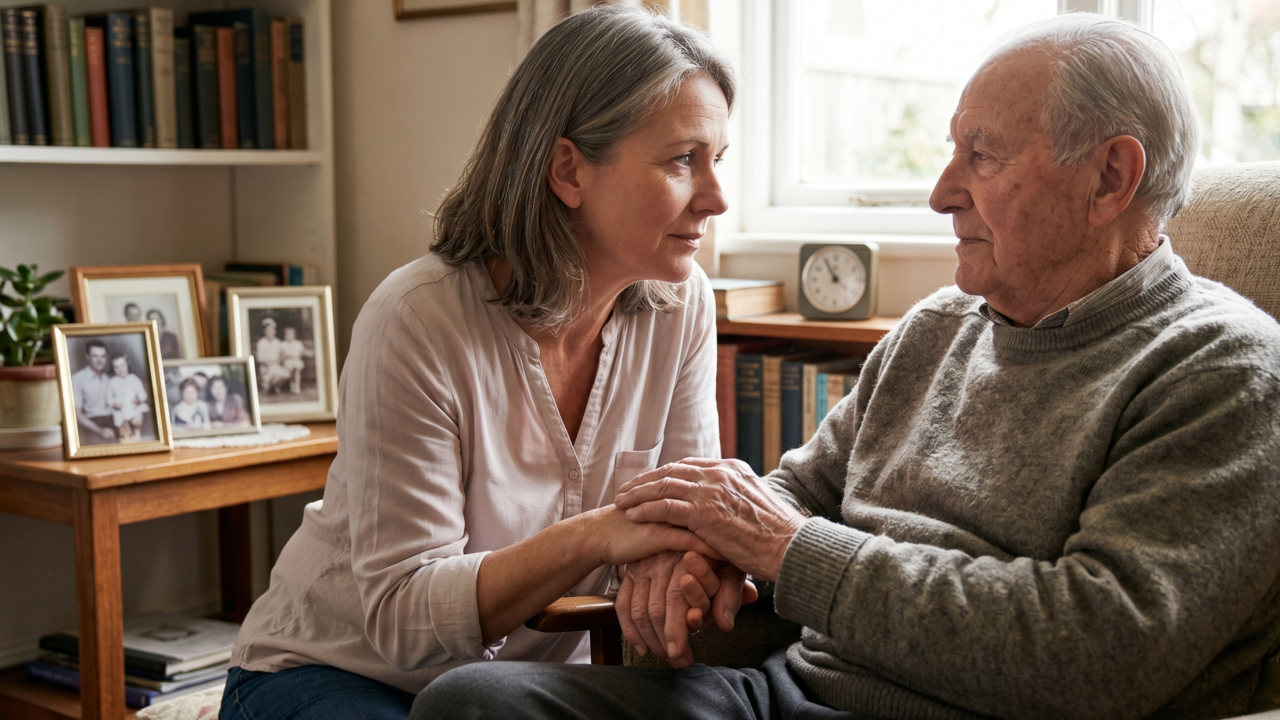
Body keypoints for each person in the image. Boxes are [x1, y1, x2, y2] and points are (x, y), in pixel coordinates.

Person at [416, 14, 1280, 720]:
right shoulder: (935, 328)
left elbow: (1097, 650)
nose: (941, 192)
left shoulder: (1221, 370)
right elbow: (799, 493)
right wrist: (704, 557)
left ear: (1111, 177)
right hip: (789, 691)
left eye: (982, 156)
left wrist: (782, 548)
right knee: (474, 704)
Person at [221, 7, 735, 720]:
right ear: (568, 171)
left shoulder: (684, 305)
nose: (716, 197)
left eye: (718, 159)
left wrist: (668, 557)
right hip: (343, 671)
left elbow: (683, 514)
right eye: (683, 160)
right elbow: (402, 618)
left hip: (517, 690)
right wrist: (598, 533)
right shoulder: (416, 319)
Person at [70, 340, 116, 445]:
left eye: (103, 356)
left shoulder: (110, 378)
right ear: (88, 357)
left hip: (114, 423)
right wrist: (99, 431)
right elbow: (76, 414)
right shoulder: (78, 379)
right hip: (92, 425)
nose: (100, 360)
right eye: (95, 356)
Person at [106, 353, 149, 441]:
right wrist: (114, 403)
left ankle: (136, 436)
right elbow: (108, 397)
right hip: (120, 408)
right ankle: (124, 438)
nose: (120, 369)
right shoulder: (112, 381)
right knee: (119, 419)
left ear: (127, 365)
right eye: (116, 367)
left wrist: (138, 400)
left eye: (122, 366)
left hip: (133, 407)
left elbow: (143, 395)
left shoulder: (134, 379)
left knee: (137, 418)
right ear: (113, 368)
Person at [253, 317, 291, 396]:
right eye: (268, 330)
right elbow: (259, 359)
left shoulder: (278, 342)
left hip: (275, 366)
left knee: (286, 374)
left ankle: (272, 387)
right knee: (267, 376)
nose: (270, 332)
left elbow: (282, 356)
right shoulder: (261, 343)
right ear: (265, 332)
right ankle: (268, 386)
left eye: (272, 330)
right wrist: (271, 362)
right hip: (265, 368)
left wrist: (282, 358)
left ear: (275, 331)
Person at [279, 326, 311, 395]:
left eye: (291, 334)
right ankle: (292, 386)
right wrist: (285, 357)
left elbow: (302, 352)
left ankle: (297, 387)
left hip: (296, 360)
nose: (289, 336)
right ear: (285, 335)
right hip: (287, 361)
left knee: (296, 370)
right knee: (290, 371)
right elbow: (281, 355)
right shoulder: (283, 344)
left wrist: (308, 353)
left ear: (294, 335)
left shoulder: (298, 343)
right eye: (287, 334)